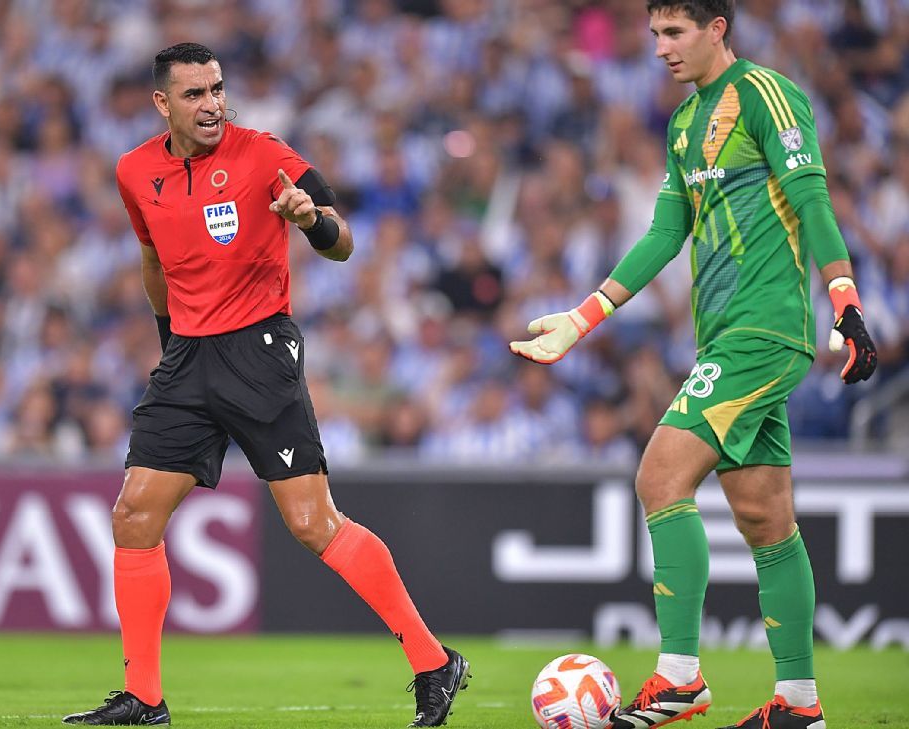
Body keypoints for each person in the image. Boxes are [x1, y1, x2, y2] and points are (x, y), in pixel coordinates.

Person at [63, 43, 469, 727]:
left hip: (258, 350)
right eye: (194, 94)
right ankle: (145, 698)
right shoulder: (135, 170)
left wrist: (311, 221)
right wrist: (169, 341)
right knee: (133, 515)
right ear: (162, 103)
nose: (212, 104)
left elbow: (342, 241)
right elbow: (152, 261)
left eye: (217, 88)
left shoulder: (262, 153)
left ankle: (433, 661)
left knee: (313, 523)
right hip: (187, 357)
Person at [510, 3, 877, 729]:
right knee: (766, 519)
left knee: (659, 477)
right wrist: (582, 317)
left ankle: (680, 678)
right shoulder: (684, 123)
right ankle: (799, 704)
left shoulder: (766, 94)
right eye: (654, 34)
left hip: (763, 330)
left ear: (717, 29)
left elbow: (811, 197)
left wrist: (845, 299)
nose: (661, 48)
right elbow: (665, 232)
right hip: (723, 339)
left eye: (674, 32)